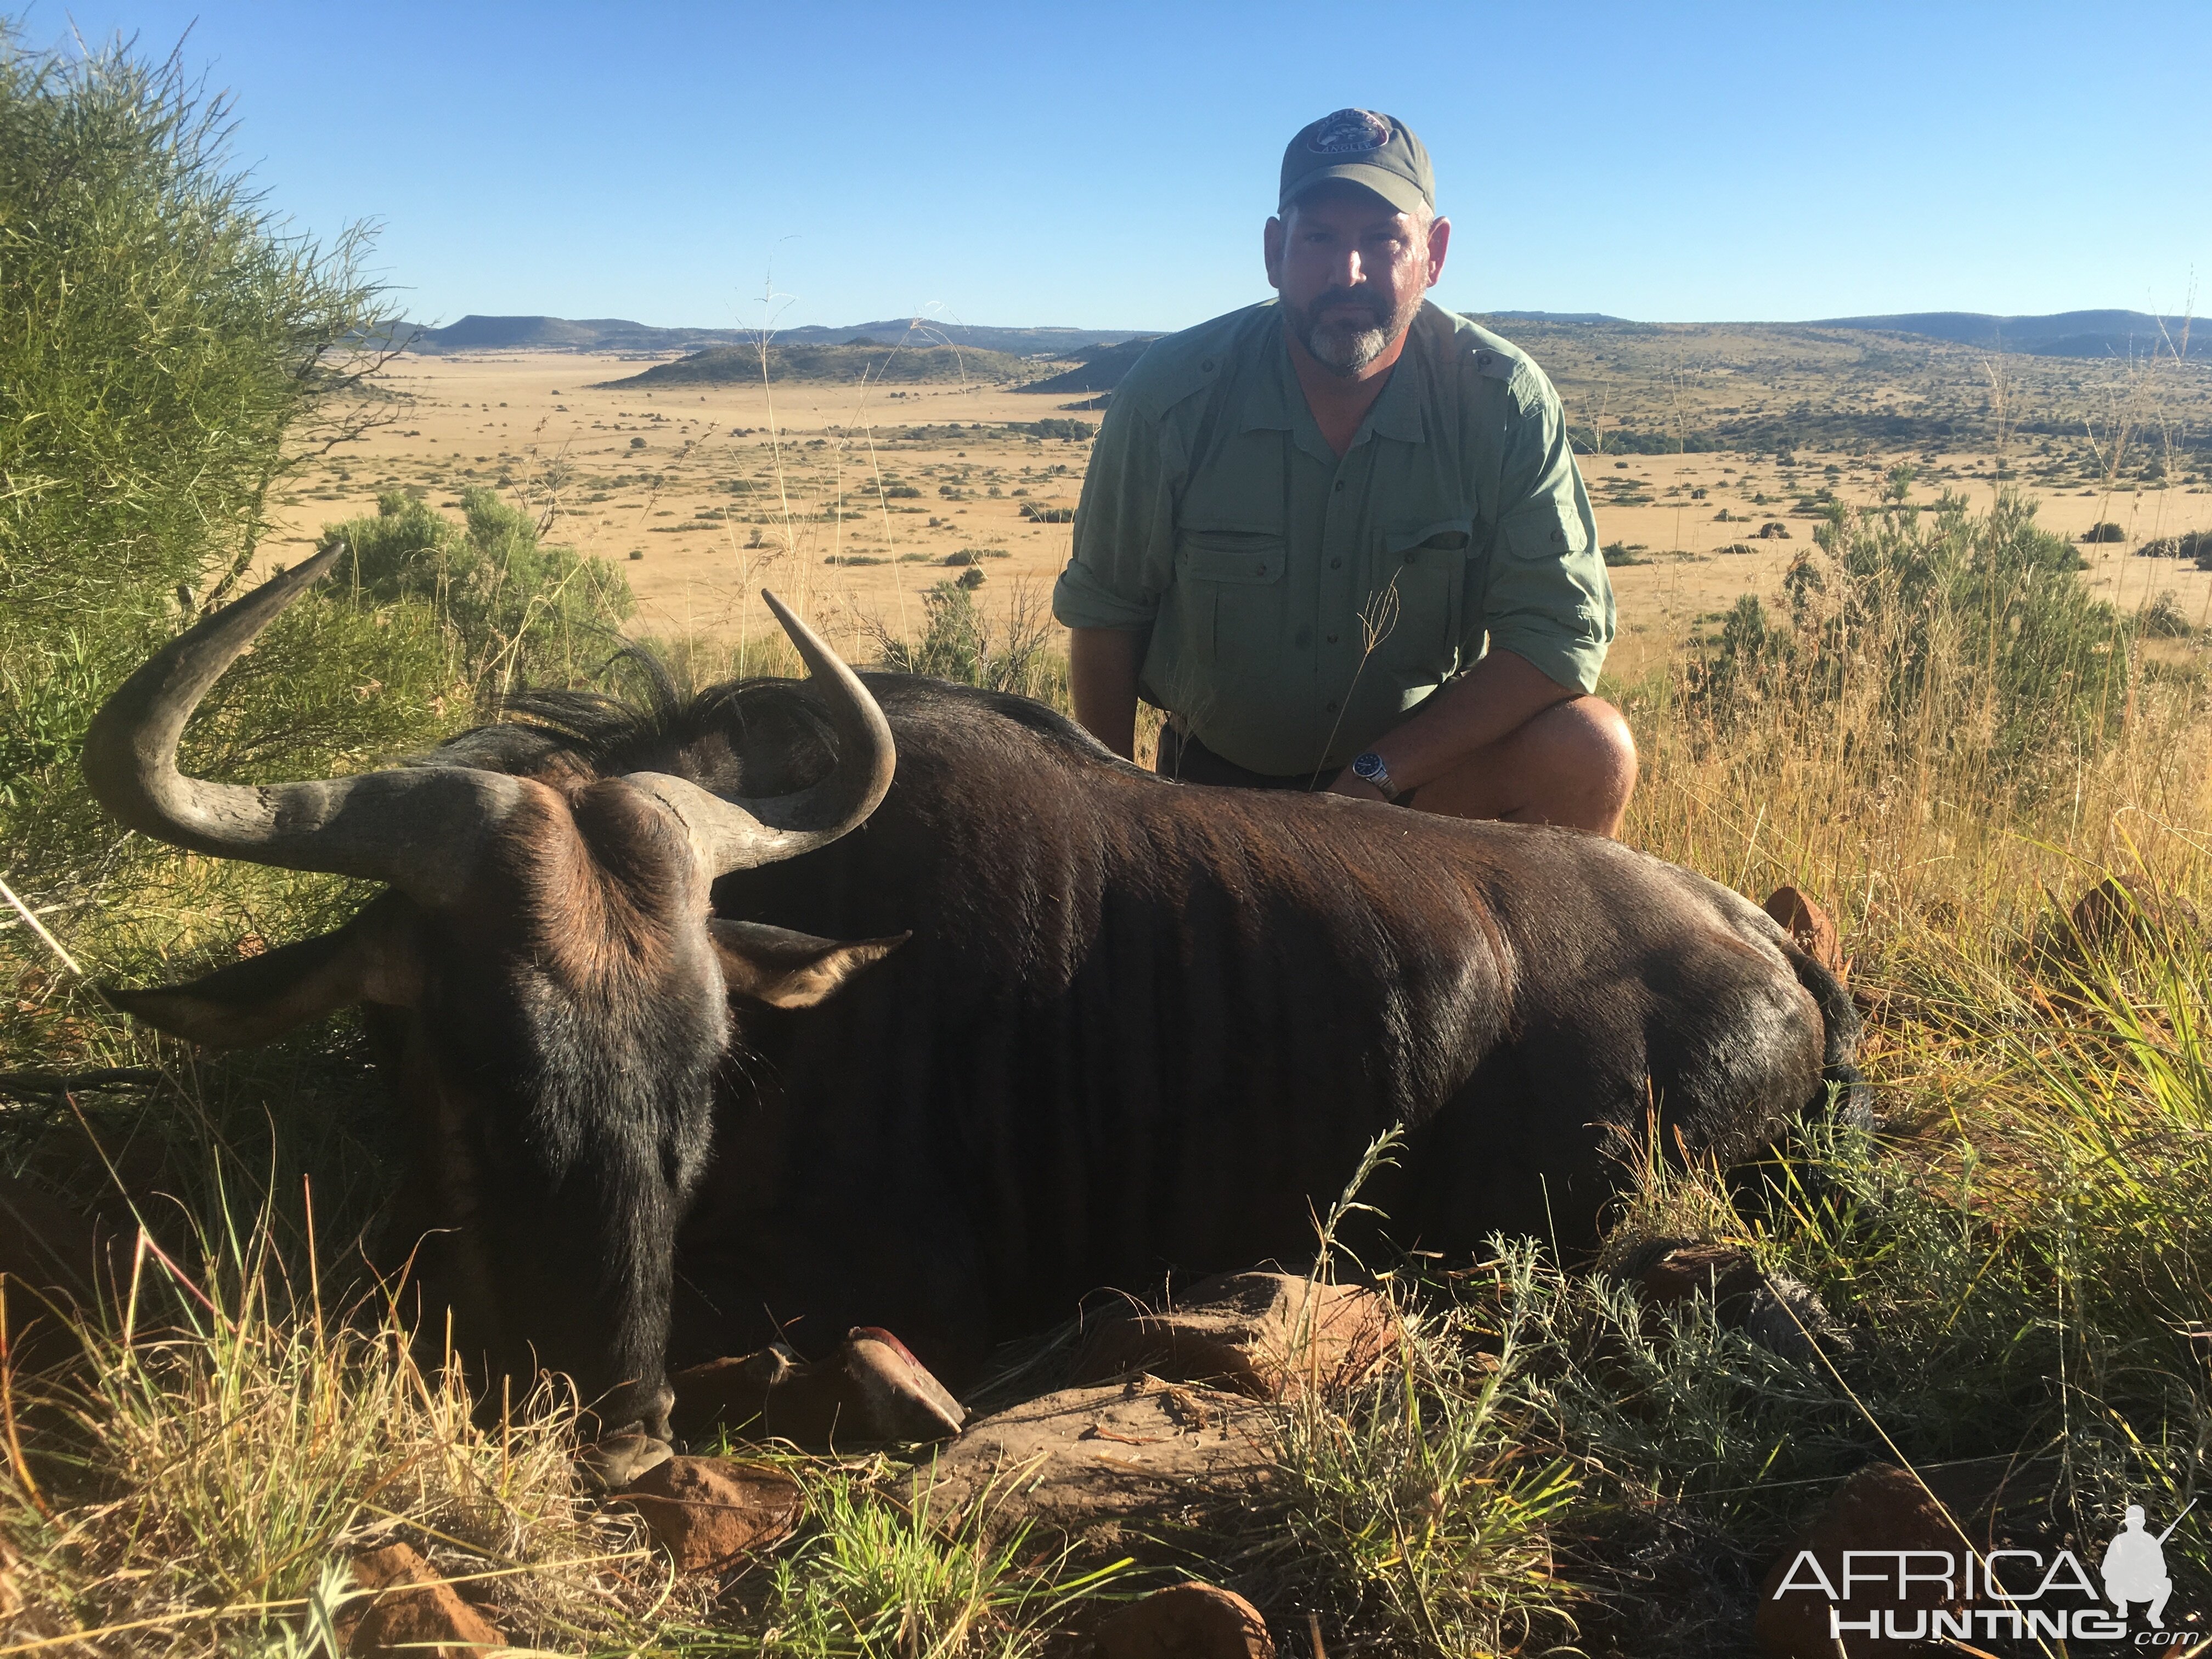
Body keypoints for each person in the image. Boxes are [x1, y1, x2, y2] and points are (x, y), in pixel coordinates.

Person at [1052, 108, 1636, 835]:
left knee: (1590, 750)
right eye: (1319, 238)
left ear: (1435, 252)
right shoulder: (1171, 396)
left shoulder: (1502, 402)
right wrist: (1117, 825)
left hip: (1410, 798)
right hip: (1216, 806)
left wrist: (1374, 779)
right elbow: (1108, 615)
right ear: (1275, 251)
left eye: (1383, 239)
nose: (1347, 275)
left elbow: (1558, 634)